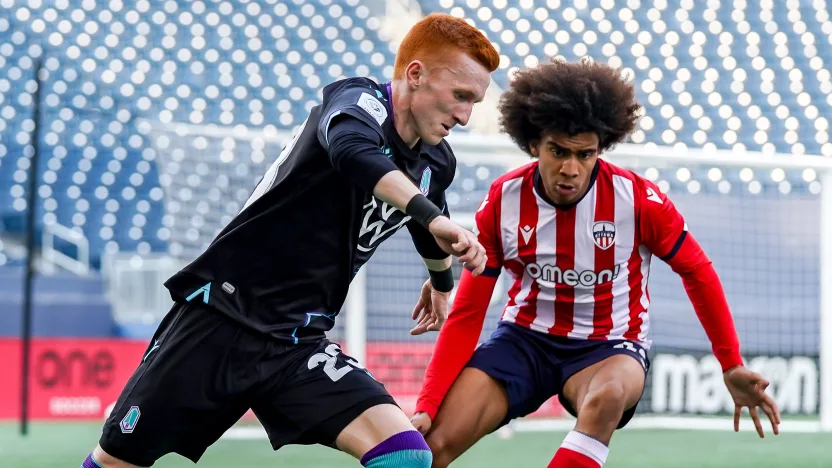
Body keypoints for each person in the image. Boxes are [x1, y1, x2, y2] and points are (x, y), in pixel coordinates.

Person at [80, 13, 499, 468]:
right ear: (415, 74)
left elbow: (427, 225)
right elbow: (352, 153)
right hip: (224, 316)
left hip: (299, 341)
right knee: (117, 462)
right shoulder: (358, 101)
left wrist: (440, 284)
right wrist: (428, 214)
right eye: (460, 96)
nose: (465, 115)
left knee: (404, 455)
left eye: (474, 102)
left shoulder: (437, 161)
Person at [410, 58, 781, 468]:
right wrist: (428, 402)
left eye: (585, 154)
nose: (571, 169)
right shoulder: (503, 200)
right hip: (524, 340)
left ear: (600, 149)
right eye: (558, 152)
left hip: (609, 347)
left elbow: (697, 271)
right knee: (432, 447)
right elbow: (468, 310)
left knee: (606, 398)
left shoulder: (639, 200)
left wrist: (730, 363)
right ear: (534, 145)